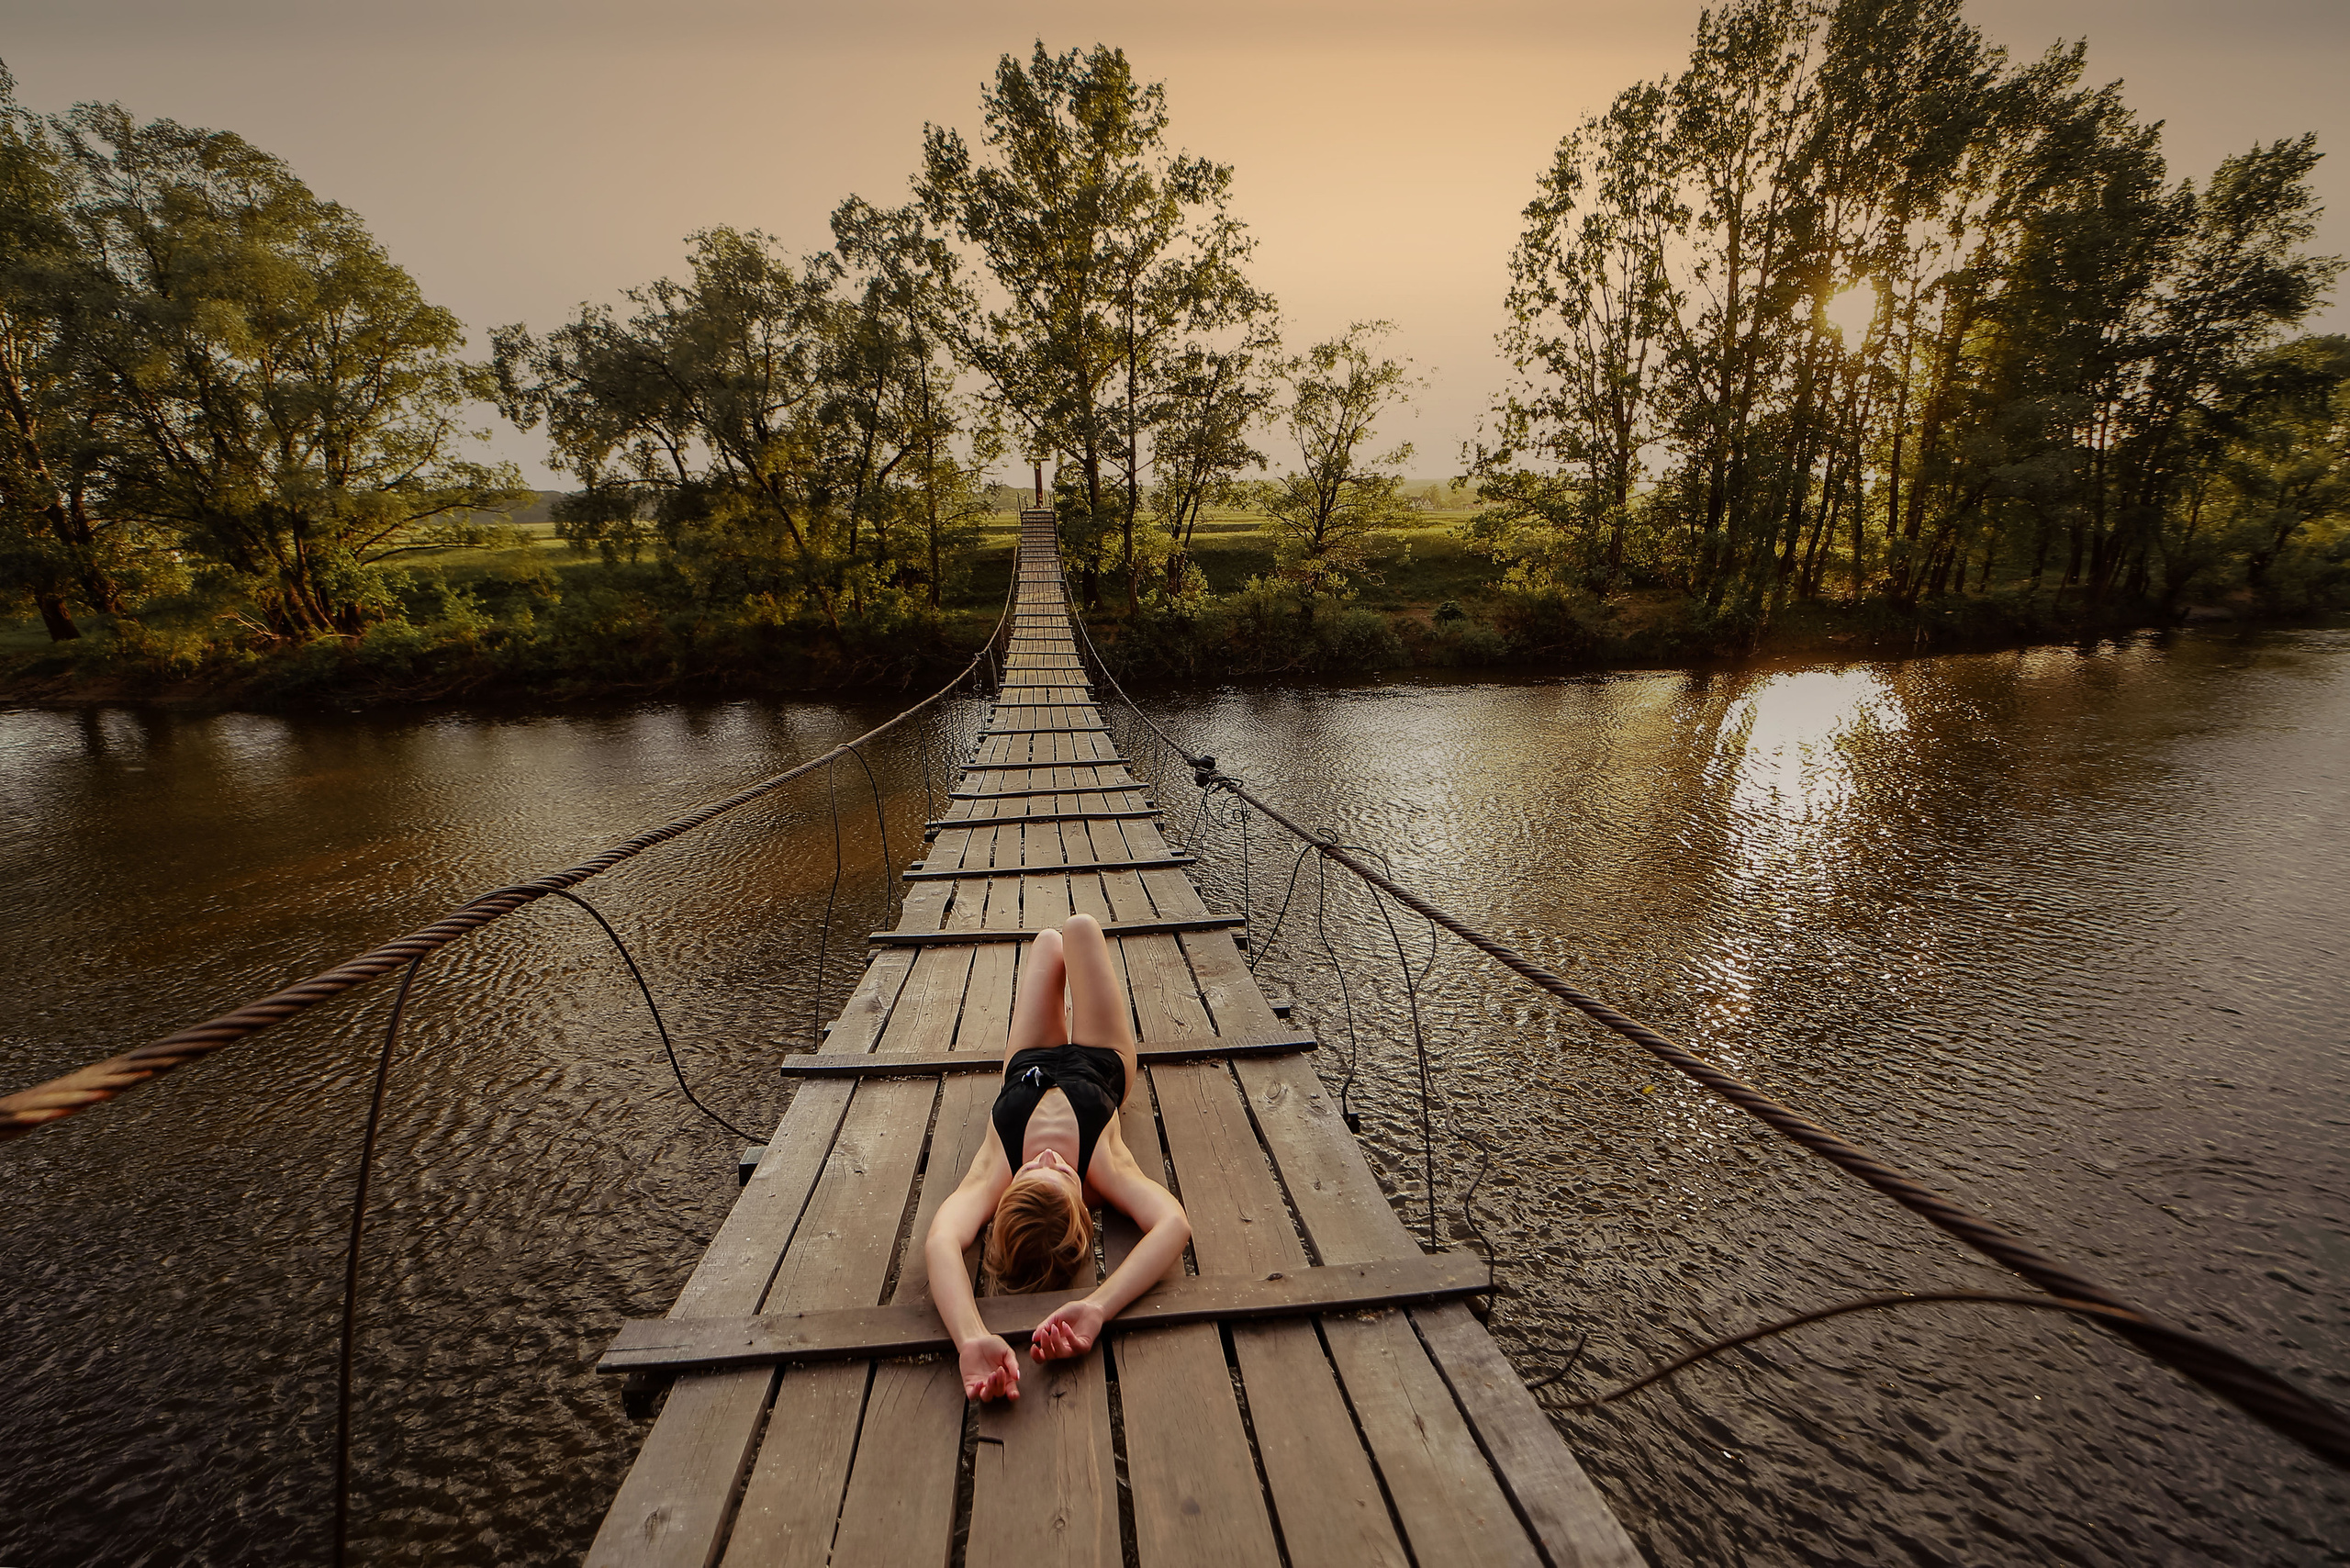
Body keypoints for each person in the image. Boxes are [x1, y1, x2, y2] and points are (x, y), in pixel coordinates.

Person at [923, 913, 1191, 1403]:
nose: (1047, 1156)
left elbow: (942, 1242)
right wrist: (1097, 1307)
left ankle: (1055, 968)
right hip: (1099, 1060)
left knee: (1048, 943)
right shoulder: (1104, 1165)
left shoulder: (993, 1171)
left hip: (1028, 1065)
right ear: (1083, 1202)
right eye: (1062, 1173)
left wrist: (969, 1337)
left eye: (1033, 1171)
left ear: (1008, 1196)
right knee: (1081, 928)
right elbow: (1173, 1224)